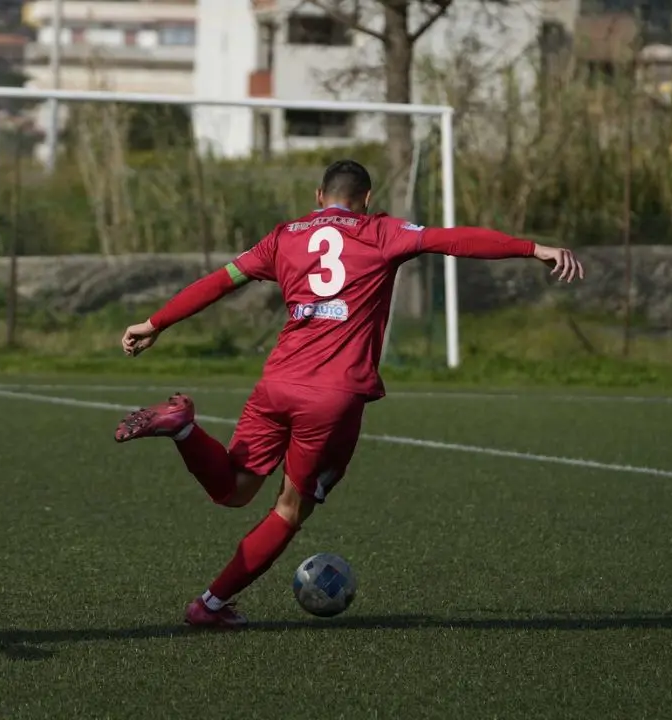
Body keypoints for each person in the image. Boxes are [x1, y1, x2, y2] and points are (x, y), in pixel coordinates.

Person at [114, 160, 584, 629]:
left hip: (276, 383)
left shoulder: (283, 236)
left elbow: (219, 282)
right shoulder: (382, 232)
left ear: (319, 195)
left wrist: (155, 324)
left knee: (234, 490)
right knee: (291, 509)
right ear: (369, 196)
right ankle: (208, 606)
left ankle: (184, 429)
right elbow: (454, 240)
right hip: (332, 397)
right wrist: (534, 248)